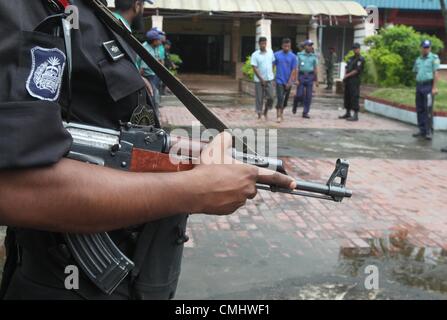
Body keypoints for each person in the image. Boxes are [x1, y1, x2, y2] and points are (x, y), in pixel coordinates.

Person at [0, 0, 295, 300]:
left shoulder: (88, 11)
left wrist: (179, 150)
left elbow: (105, 129)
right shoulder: (25, 8)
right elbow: (13, 187)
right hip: (64, 285)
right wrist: (192, 190)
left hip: (128, 279)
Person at [412, 40, 440, 141]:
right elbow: (415, 71)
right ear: (421, 48)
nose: (426, 49)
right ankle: (422, 130)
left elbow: (435, 73)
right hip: (419, 86)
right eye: (424, 47)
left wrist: (434, 87)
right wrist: (418, 80)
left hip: (428, 86)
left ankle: (428, 131)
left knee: (428, 109)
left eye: (428, 47)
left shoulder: (434, 58)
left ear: (430, 48)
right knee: (419, 108)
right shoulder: (418, 59)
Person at [137, 30, 163, 117]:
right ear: (154, 40)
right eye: (158, 39)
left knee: (154, 95)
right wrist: (140, 78)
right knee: (153, 96)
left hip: (153, 75)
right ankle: (153, 115)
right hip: (147, 76)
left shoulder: (154, 47)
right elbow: (142, 68)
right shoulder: (147, 49)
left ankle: (153, 113)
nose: (160, 41)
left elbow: (158, 60)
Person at [251, 37, 275, 120]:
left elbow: (272, 63)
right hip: (259, 80)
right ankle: (259, 114)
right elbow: (254, 68)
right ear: (259, 44)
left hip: (269, 79)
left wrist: (271, 73)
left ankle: (266, 111)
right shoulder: (255, 54)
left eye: (265, 43)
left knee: (271, 97)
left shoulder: (270, 52)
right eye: (262, 43)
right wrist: (261, 79)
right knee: (259, 98)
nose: (263, 45)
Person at [339, 43, 365, 122]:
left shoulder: (361, 59)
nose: (355, 50)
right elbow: (346, 67)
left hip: (354, 80)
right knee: (347, 96)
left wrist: (347, 75)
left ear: (359, 49)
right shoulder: (351, 58)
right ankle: (348, 112)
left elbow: (357, 70)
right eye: (354, 48)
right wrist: (344, 76)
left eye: (356, 48)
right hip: (348, 80)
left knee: (354, 96)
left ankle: (355, 114)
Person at [293, 39, 319, 119]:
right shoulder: (299, 55)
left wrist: (316, 80)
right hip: (301, 76)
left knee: (309, 96)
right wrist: (296, 79)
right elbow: (296, 68)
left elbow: (315, 69)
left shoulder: (314, 56)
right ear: (305, 46)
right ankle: (295, 102)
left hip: (310, 76)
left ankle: (305, 112)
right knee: (299, 94)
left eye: (311, 45)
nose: (310, 47)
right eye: (309, 45)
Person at [274, 38, 297, 123]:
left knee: (285, 100)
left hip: (288, 81)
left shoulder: (293, 57)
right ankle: (278, 116)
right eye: (285, 46)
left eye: (288, 46)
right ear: (282, 46)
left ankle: (281, 112)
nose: (286, 48)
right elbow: (272, 65)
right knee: (280, 97)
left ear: (290, 46)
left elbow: (293, 70)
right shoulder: (276, 55)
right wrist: (272, 77)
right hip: (279, 80)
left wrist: (290, 82)